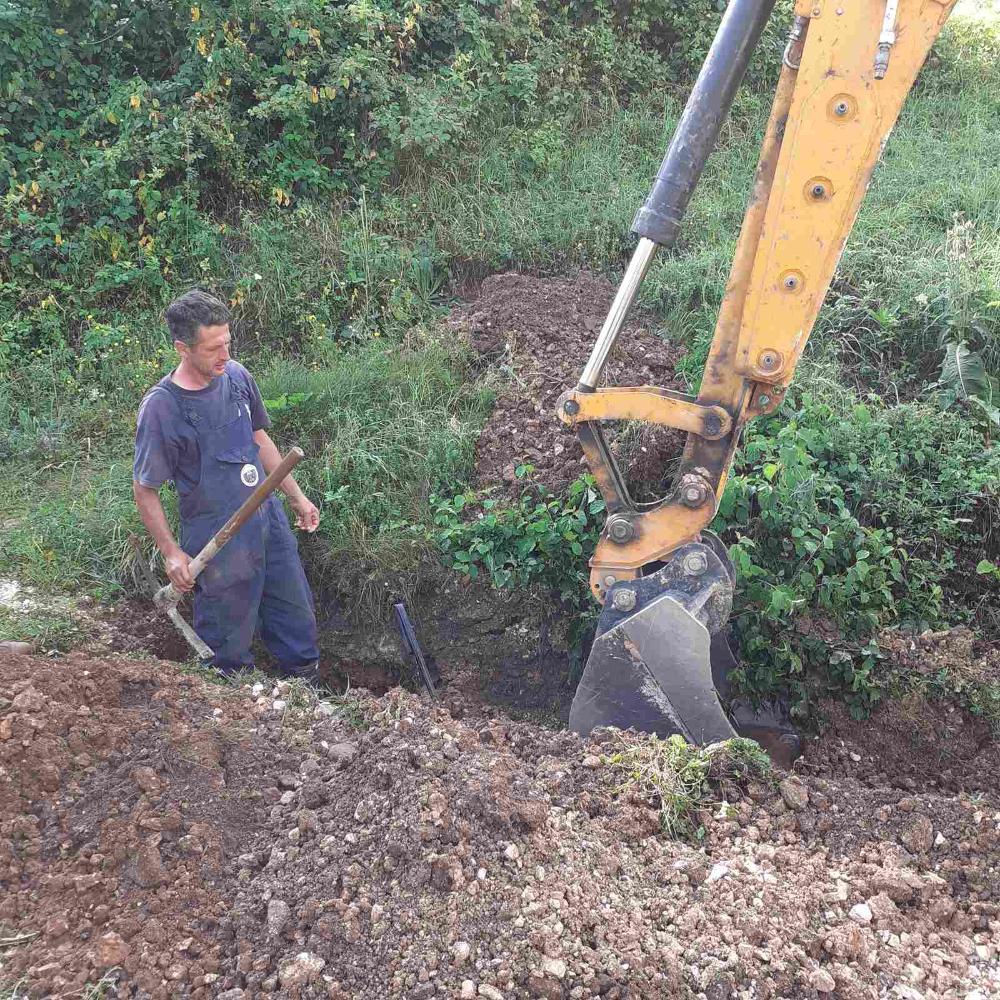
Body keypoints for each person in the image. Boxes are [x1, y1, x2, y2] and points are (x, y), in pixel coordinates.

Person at [133, 289, 321, 680]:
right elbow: (145, 488)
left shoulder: (236, 377)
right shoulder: (162, 408)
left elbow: (260, 440)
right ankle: (234, 712)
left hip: (268, 522)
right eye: (213, 349)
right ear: (182, 348)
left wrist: (298, 498)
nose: (224, 356)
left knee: (295, 617)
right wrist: (171, 552)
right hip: (216, 539)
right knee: (225, 645)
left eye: (228, 343)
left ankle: (309, 696)